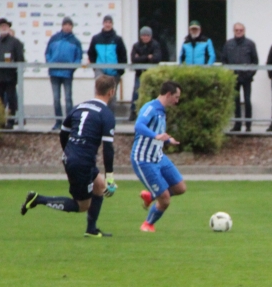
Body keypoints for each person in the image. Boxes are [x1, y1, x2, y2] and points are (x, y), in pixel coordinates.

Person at [20, 75, 118, 238]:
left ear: (96, 89)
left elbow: (63, 133)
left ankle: (92, 230)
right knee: (82, 205)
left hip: (75, 157)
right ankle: (38, 199)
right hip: (82, 162)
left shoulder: (79, 107)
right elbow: (108, 149)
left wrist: (70, 153)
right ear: (112, 92)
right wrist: (111, 177)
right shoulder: (106, 115)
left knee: (99, 185)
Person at [130, 81, 187, 232]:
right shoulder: (150, 108)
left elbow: (159, 134)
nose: (177, 100)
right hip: (144, 160)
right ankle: (147, 224)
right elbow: (139, 126)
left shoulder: (162, 111)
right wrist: (156, 136)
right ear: (168, 95)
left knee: (180, 188)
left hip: (158, 157)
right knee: (165, 199)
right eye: (176, 96)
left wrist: (168, 140)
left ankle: (151, 196)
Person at [45, 17, 83, 131]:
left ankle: (69, 123)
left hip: (67, 74)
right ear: (62, 26)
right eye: (65, 24)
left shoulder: (75, 41)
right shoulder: (54, 38)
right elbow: (47, 53)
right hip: (54, 73)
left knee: (68, 99)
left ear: (72, 27)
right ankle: (58, 122)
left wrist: (72, 68)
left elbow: (78, 57)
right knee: (56, 99)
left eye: (69, 25)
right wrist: (51, 64)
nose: (67, 27)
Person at [221, 23, 259, 132]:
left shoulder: (250, 44)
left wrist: (250, 74)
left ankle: (248, 125)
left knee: (247, 101)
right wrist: (228, 73)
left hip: (246, 78)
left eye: (241, 30)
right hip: (233, 78)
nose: (239, 32)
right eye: (237, 30)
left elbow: (255, 61)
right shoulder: (228, 44)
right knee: (235, 101)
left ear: (244, 31)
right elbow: (224, 60)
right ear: (234, 31)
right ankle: (237, 125)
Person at [0, 18, 24, 129]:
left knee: (11, 100)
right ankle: (0, 121)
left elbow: (20, 60)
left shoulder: (15, 42)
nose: (3, 28)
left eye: (5, 26)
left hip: (10, 77)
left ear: (9, 28)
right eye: (1, 26)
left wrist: (16, 75)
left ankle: (11, 121)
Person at [87, 15, 127, 113]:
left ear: (112, 24)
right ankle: (98, 118)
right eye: (106, 22)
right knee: (99, 96)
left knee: (111, 98)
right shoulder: (96, 38)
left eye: (109, 22)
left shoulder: (117, 39)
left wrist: (120, 71)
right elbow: (91, 53)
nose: (107, 24)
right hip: (100, 71)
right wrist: (95, 67)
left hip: (113, 72)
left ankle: (110, 120)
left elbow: (123, 55)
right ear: (103, 23)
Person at [129, 26, 162, 121]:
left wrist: (141, 57)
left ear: (151, 36)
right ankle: (133, 112)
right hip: (139, 73)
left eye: (147, 35)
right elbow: (133, 60)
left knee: (152, 93)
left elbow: (157, 58)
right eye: (143, 35)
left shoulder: (155, 45)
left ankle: (153, 113)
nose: (145, 37)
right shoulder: (136, 46)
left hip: (151, 73)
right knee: (136, 92)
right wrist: (148, 57)